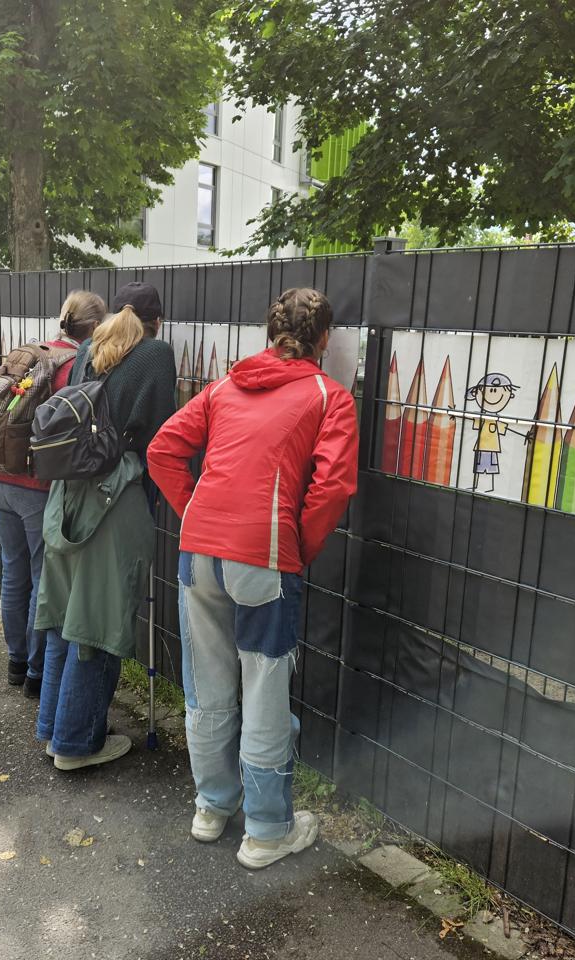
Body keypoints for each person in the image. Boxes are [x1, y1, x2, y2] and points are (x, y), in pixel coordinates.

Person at [148, 287, 359, 870]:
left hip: (199, 551)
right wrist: (297, 547)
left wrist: (194, 511)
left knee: (206, 680)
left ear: (271, 333)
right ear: (324, 339)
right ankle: (266, 831)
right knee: (264, 687)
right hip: (264, 555)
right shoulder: (329, 396)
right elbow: (334, 486)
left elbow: (163, 450)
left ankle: (212, 806)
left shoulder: (224, 386)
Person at [34, 282, 177, 770]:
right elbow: (158, 438)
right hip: (114, 500)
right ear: (158, 321)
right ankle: (76, 744)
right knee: (96, 624)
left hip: (68, 495)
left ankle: (55, 728)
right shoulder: (156, 355)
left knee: (64, 617)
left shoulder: (87, 350)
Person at [0, 291, 105, 697]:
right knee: (42, 578)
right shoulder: (74, 365)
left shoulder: (32, 353)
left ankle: (16, 661)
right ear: (95, 327)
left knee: (13, 571)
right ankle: (37, 673)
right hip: (37, 488)